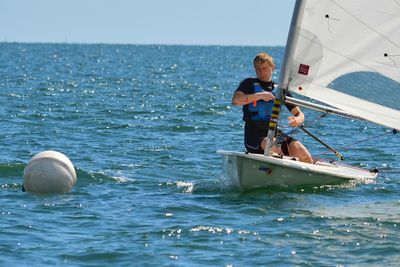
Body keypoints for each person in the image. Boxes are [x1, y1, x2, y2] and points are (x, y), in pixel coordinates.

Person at [231, 52, 313, 164]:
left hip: (275, 133)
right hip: (254, 136)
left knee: (303, 154)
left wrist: (297, 119)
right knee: (271, 144)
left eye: (264, 68)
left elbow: (299, 114)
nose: (261, 72)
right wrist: (260, 96)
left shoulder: (279, 90)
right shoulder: (249, 84)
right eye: (258, 69)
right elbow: (236, 100)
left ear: (272, 67)